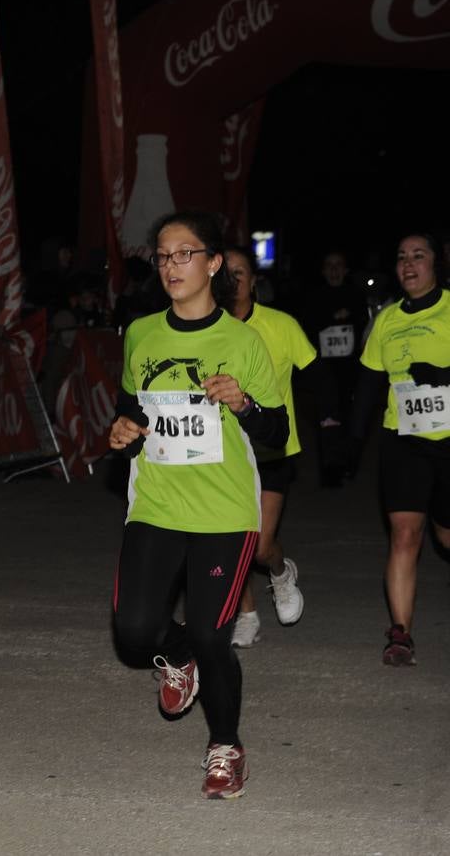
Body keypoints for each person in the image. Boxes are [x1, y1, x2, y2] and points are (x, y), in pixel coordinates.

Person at [107, 211, 287, 800]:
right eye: (162, 256)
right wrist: (123, 430)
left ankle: (225, 746)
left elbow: (278, 433)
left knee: (216, 636)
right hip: (156, 503)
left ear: (213, 263)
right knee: (134, 634)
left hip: (223, 512)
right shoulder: (140, 333)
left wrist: (245, 406)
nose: (171, 267)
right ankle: (175, 652)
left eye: (184, 255)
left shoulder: (242, 342)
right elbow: (131, 406)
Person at [346, 232, 450, 667]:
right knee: (405, 535)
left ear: (435, 263)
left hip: (448, 442)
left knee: (446, 536)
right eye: (402, 257)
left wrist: (444, 375)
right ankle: (400, 633)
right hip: (402, 439)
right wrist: (349, 442)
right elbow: (369, 385)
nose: (409, 264)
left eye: (418, 256)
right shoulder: (386, 320)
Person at [222, 248, 313, 647]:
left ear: (255, 279)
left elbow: (316, 376)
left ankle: (280, 571)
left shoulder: (281, 324)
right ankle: (247, 613)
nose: (232, 280)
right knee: (231, 539)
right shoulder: (211, 329)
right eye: (225, 273)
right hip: (223, 449)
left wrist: (335, 428)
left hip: (272, 447)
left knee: (259, 547)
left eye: (239, 272)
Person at [303, 250, 369, 487]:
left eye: (338, 265)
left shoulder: (356, 296)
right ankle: (330, 469)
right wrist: (332, 319)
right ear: (323, 271)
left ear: (345, 269)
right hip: (324, 370)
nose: (333, 270)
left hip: (351, 370)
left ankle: (349, 463)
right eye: (329, 265)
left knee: (351, 419)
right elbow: (308, 328)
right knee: (328, 420)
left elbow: (365, 327)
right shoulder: (315, 297)